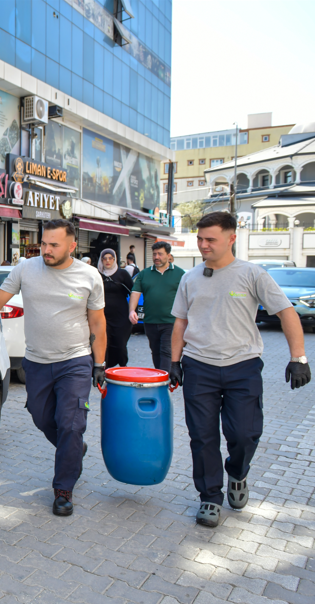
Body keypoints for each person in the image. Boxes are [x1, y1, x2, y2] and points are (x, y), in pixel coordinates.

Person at [169, 212, 310, 528]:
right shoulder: (189, 278)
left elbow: (287, 312)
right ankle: (210, 497)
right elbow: (180, 322)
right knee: (202, 437)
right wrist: (174, 362)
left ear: (231, 238)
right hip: (199, 367)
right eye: (200, 239)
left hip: (242, 367)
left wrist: (298, 357)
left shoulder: (252, 274)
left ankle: (238, 472)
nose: (203, 245)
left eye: (211, 240)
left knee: (245, 433)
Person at [0, 219, 106, 517]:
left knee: (70, 423)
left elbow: (97, 323)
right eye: (44, 243)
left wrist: (100, 363)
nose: (46, 250)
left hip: (75, 361)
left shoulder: (89, 276)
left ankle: (63, 489)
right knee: (42, 417)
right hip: (38, 361)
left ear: (72, 246)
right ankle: (73, 448)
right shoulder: (26, 269)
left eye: (54, 245)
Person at [128, 242, 185, 375]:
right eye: (154, 254)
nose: (156, 257)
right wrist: (132, 310)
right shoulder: (145, 274)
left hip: (171, 321)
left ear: (168, 255)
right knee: (155, 351)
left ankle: (163, 380)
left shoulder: (179, 274)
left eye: (160, 254)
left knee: (166, 350)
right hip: (150, 321)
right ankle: (161, 376)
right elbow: (135, 293)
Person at [98, 249, 133, 368]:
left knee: (120, 344)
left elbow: (133, 292)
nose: (107, 261)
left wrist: (133, 310)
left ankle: (123, 368)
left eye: (110, 258)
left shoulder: (122, 274)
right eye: (105, 258)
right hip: (102, 316)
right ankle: (104, 370)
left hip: (121, 317)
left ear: (115, 259)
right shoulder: (97, 274)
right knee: (104, 344)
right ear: (101, 260)